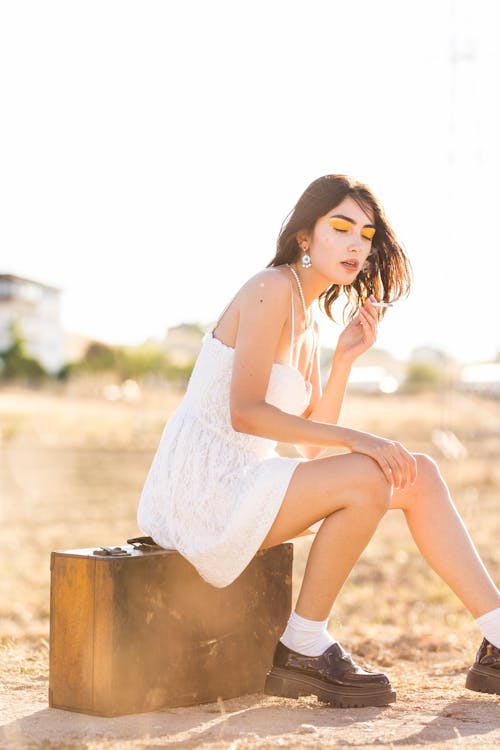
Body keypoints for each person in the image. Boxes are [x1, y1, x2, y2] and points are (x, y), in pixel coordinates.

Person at [137, 174, 500, 707]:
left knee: (417, 474)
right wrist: (361, 439)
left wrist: (346, 361)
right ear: (305, 237)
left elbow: (311, 450)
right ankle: (304, 643)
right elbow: (245, 413)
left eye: (367, 233)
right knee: (372, 470)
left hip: (246, 485)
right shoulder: (270, 288)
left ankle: (498, 635)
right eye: (341, 227)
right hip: (203, 492)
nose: (357, 243)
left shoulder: (306, 316)